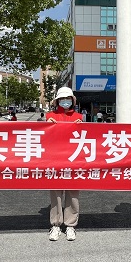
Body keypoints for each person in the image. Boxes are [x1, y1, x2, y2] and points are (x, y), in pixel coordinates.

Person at [46, 86, 82, 241]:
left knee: (73, 193)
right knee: (56, 193)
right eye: (62, 99)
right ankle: (55, 224)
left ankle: (70, 225)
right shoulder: (50, 116)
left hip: (73, 160)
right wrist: (46, 125)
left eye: (68, 99)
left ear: (72, 100)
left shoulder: (79, 117)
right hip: (55, 160)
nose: (65, 101)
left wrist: (82, 126)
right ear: (57, 101)